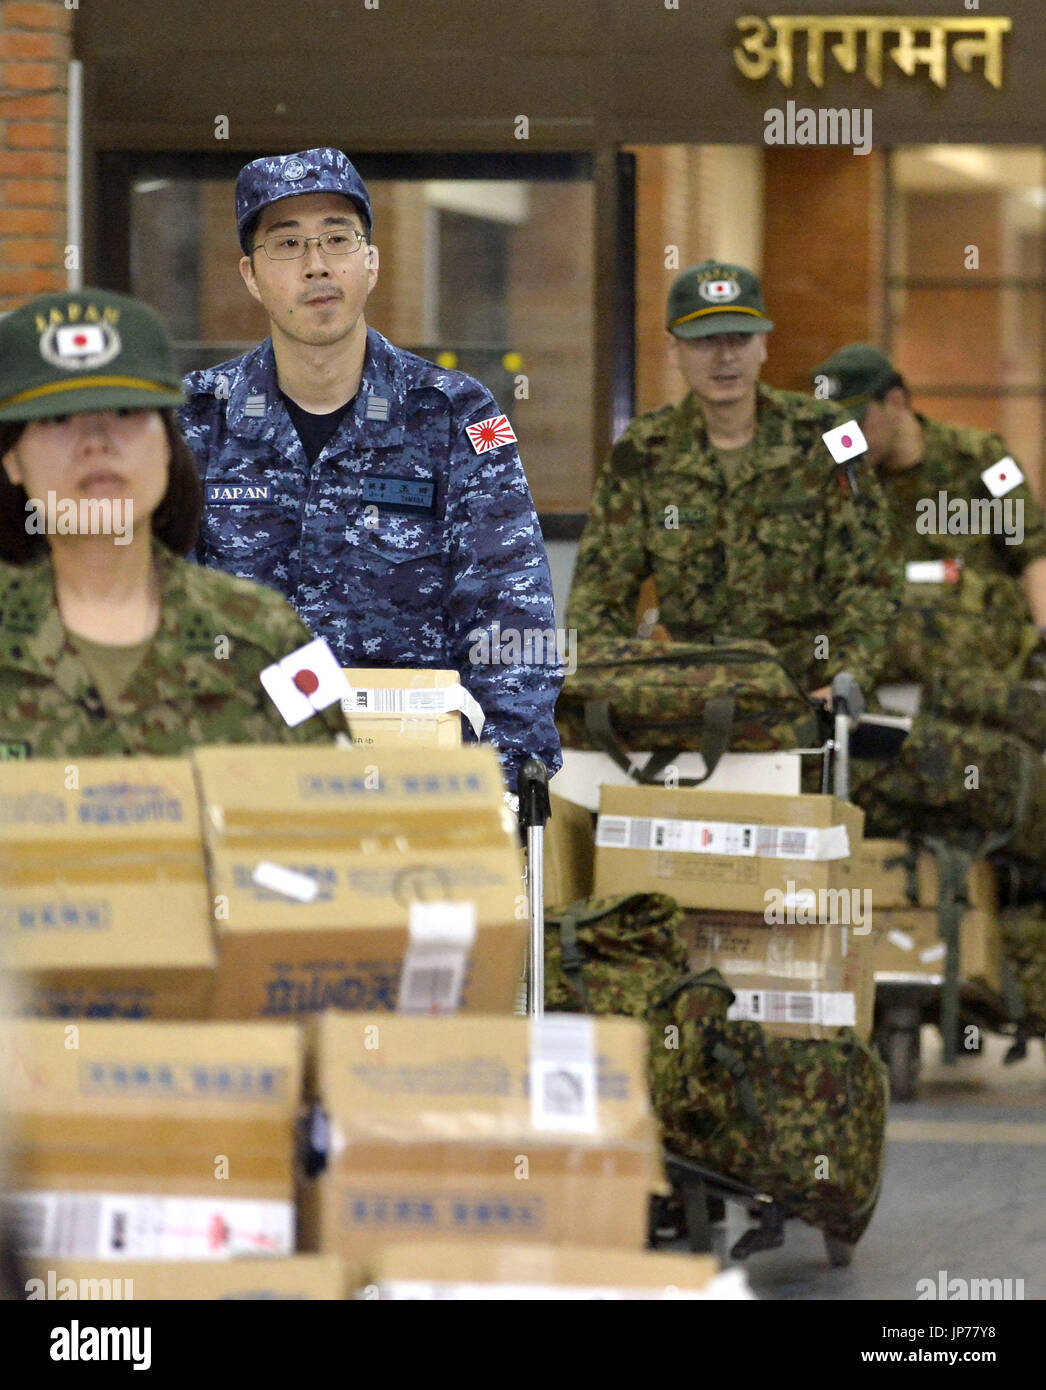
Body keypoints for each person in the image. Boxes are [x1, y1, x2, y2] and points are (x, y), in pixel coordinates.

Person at [178, 147, 563, 791]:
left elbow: (510, 615)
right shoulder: (197, 421)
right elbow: (156, 610)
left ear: (372, 262)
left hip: (416, 782)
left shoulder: (450, 416)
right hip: (240, 778)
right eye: (288, 244)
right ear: (250, 275)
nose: (317, 265)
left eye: (338, 238)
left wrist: (500, 786)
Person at [0, 288, 346, 757]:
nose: (95, 442)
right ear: (12, 460)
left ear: (167, 443)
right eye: (58, 418)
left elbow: (340, 812)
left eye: (125, 412)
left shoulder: (268, 635)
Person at [567, 261, 902, 703]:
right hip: (691, 699)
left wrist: (848, 677)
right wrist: (608, 686)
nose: (725, 357)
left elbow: (871, 578)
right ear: (673, 351)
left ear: (763, 345)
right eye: (705, 341)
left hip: (808, 698)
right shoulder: (645, 450)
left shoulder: (827, 435)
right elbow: (598, 597)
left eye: (740, 339)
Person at [809, 343, 1046, 687]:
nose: (845, 440)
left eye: (856, 422)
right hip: (879, 671)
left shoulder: (981, 459)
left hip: (977, 665)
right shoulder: (844, 479)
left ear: (896, 402)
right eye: (835, 429)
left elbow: (1032, 547)